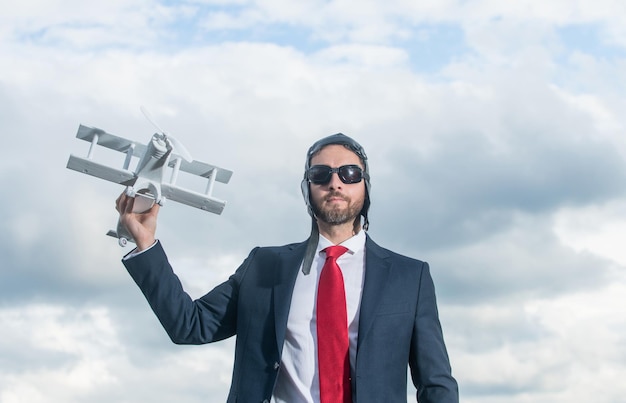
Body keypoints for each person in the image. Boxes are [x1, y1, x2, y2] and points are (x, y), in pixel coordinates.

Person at [117, 133, 459, 403]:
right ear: (307, 187)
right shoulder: (264, 267)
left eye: (349, 173)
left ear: (365, 185)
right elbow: (189, 326)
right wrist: (145, 244)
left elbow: (436, 384)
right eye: (320, 174)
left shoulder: (409, 277)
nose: (335, 183)